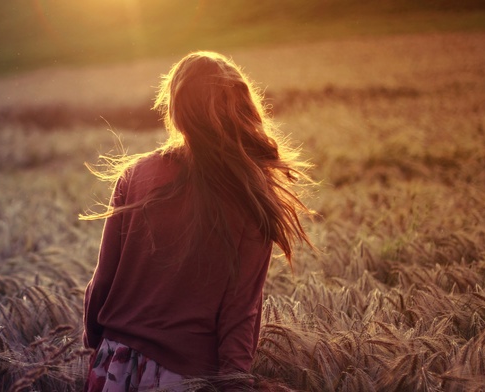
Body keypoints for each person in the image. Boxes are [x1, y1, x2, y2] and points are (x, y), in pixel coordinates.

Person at [81, 51, 314, 391]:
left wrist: (98, 346)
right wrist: (235, 382)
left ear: (175, 109)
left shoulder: (135, 175)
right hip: (185, 376)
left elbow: (102, 280)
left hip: (116, 362)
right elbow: (240, 312)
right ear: (240, 106)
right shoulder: (250, 192)